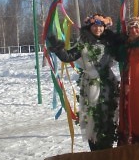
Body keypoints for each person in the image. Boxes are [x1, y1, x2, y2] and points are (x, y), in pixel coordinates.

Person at [47, 13, 121, 151]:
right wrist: (57, 46)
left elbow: (121, 55)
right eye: (95, 26)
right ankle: (95, 149)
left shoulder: (110, 43)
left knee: (108, 115)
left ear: (105, 27)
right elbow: (68, 56)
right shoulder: (83, 44)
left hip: (108, 85)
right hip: (90, 86)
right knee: (91, 117)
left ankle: (108, 147)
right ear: (90, 27)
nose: (98, 29)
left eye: (101, 26)